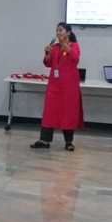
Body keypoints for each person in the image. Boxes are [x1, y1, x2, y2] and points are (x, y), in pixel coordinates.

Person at [30, 22, 84, 151]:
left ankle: (69, 141)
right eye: (57, 30)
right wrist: (47, 53)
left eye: (61, 30)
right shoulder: (54, 47)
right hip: (54, 84)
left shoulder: (74, 46)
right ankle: (44, 140)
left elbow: (75, 57)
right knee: (50, 111)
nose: (58, 32)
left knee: (68, 111)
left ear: (68, 32)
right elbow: (48, 63)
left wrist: (64, 44)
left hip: (69, 85)